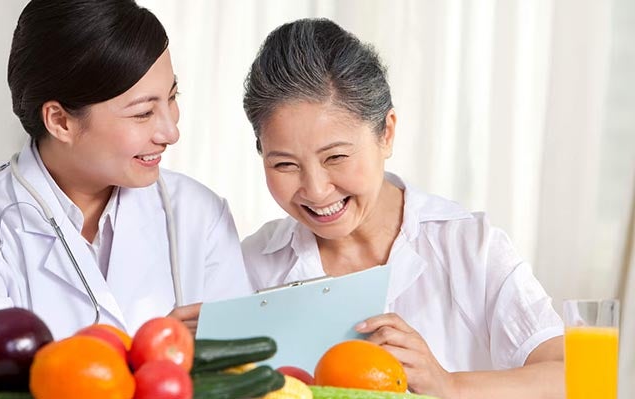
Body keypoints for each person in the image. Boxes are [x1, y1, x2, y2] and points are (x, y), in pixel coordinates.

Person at [0, 0, 251, 395]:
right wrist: (149, 360)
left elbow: (243, 379)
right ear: (60, 121)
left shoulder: (199, 215)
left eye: (172, 97)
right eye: (143, 114)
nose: (170, 131)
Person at [241, 18, 564, 398]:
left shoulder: (470, 247)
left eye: (336, 157)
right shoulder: (249, 267)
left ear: (387, 132)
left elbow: (574, 378)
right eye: (285, 165)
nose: (315, 189)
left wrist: (449, 384)